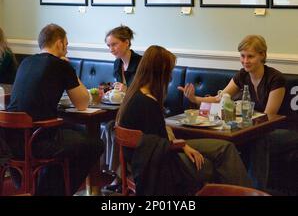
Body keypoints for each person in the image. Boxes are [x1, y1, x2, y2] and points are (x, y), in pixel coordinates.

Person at [117, 45, 251, 196]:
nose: (171, 76)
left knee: (225, 148)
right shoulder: (148, 103)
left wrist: (182, 145)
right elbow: (159, 145)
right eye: (170, 71)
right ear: (161, 72)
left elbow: (157, 140)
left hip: (143, 158)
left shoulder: (134, 94)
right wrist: (183, 146)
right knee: (218, 164)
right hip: (159, 163)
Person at [179, 34, 296, 190]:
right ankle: (225, 189)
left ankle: (254, 191)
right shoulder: (242, 75)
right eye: (242, 56)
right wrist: (195, 99)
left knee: (259, 140)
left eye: (250, 56)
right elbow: (220, 98)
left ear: (262, 55)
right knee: (228, 142)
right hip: (254, 127)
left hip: (283, 130)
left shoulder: (276, 79)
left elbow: (269, 117)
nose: (245, 61)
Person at [6, 23, 103, 195]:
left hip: (10, 140)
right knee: (94, 144)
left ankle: (46, 184)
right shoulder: (60, 65)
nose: (66, 49)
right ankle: (55, 191)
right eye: (66, 44)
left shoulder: (26, 62)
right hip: (37, 140)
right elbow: (83, 103)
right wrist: (71, 70)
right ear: (59, 43)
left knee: (77, 131)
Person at [101, 25, 142, 194]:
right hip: (125, 111)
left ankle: (119, 177)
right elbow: (120, 91)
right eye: (109, 46)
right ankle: (118, 175)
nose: (111, 49)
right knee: (110, 128)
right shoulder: (117, 64)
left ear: (127, 42)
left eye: (114, 44)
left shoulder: (140, 63)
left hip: (140, 112)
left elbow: (145, 93)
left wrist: (125, 89)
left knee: (114, 128)